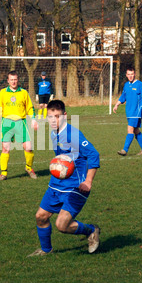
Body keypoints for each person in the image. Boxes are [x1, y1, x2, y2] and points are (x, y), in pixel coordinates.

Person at [28, 100, 100, 257]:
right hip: (57, 184)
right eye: (50, 117)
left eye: (57, 116)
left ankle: (91, 231)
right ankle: (46, 250)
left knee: (62, 225)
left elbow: (93, 154)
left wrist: (88, 181)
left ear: (65, 115)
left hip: (76, 187)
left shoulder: (73, 134)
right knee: (40, 217)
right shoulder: (54, 132)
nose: (53, 120)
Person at [0, 70, 39, 181]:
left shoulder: (23, 92)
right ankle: (3, 173)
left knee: (28, 147)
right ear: (8, 81)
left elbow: (30, 107)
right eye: (11, 80)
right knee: (5, 149)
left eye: (15, 80)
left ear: (18, 80)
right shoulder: (3, 92)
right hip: (7, 123)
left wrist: (33, 119)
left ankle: (29, 168)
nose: (13, 82)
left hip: (20, 122)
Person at [113, 66, 142, 156]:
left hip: (136, 112)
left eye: (132, 74)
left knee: (130, 129)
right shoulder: (126, 85)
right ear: (126, 75)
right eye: (128, 74)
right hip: (129, 112)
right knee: (136, 130)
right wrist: (117, 104)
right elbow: (123, 97)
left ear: (134, 74)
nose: (130, 76)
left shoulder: (139, 84)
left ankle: (124, 150)